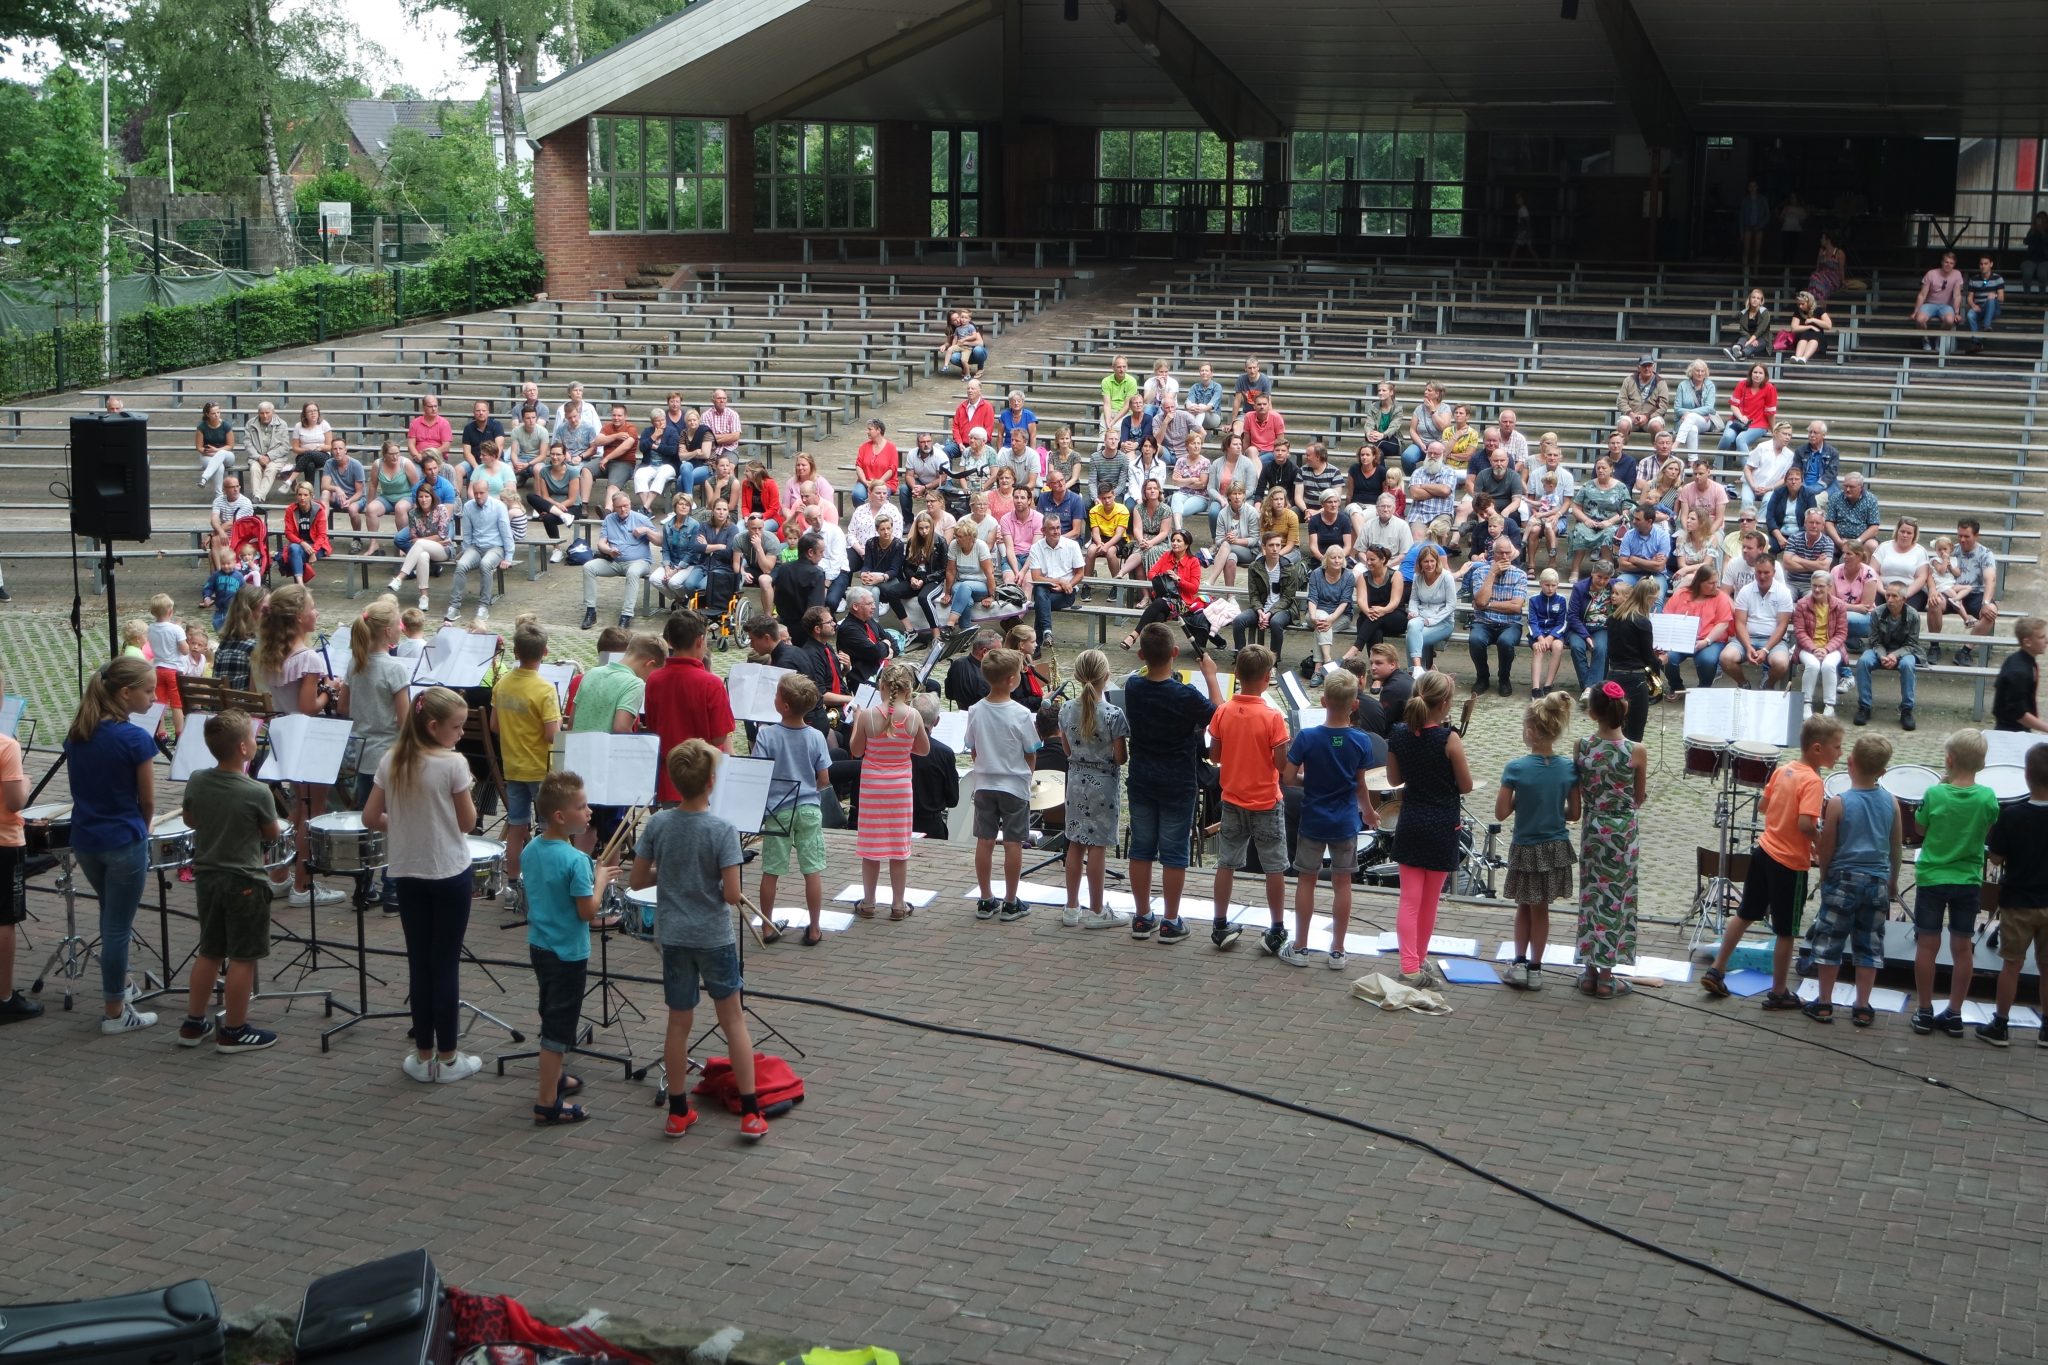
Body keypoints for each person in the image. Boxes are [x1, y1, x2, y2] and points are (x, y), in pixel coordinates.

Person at [632, 739, 769, 1141]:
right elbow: (731, 894)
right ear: (712, 782)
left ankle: (677, 1112)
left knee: (678, 1023)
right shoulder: (723, 829)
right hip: (713, 937)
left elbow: (638, 879)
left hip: (673, 935)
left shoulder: (657, 824)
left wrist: (670, 876)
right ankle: (750, 1112)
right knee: (733, 1019)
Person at [361, 685, 482, 1083]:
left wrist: (404, 825)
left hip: (407, 872)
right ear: (433, 726)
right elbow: (467, 823)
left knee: (420, 962)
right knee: (445, 963)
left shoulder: (392, 758)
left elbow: (370, 816)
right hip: (448, 871)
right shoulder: (453, 764)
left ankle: (423, 1052)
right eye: (457, 726)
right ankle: (448, 1058)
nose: (461, 733)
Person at [1700, 712, 1841, 1007]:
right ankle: (1778, 991)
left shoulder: (1784, 770)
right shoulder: (1814, 782)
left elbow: (1764, 806)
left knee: (1745, 913)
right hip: (1789, 864)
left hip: (1763, 851)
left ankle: (1717, 969)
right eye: (1837, 746)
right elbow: (1805, 824)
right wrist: (1819, 841)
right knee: (1786, 930)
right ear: (1818, 748)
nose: (1840, 752)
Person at [166, 710, 282, 1052]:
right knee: (243, 956)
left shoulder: (198, 779)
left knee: (210, 951)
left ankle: (193, 1023)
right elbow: (271, 832)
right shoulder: (257, 791)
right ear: (244, 748)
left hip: (207, 877)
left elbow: (190, 817)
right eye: (252, 739)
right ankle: (233, 1030)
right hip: (244, 880)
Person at [62, 658, 162, 1034]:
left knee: (110, 917)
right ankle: (115, 1012)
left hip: (86, 840)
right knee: (119, 926)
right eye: (149, 691)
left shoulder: (78, 732)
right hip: (123, 840)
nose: (154, 699)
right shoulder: (135, 738)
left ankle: (120, 986)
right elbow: (148, 800)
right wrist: (144, 829)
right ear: (125, 693)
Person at [519, 770, 611, 1125]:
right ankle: (547, 1103)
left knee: (550, 1011)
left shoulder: (531, 849)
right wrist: (599, 878)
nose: (589, 812)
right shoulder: (575, 861)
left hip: (540, 946)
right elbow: (587, 912)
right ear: (560, 816)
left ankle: (554, 1078)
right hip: (568, 952)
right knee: (558, 1029)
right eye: (582, 806)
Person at [1279, 668, 1380, 971]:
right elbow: (1360, 786)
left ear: (1323, 701)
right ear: (1355, 705)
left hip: (1313, 820)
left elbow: (1288, 779)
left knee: (1306, 880)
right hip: (1345, 821)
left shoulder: (1307, 738)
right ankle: (1337, 951)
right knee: (1343, 882)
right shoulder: (1361, 741)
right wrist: (1369, 812)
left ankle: (1300, 947)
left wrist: (1311, 782)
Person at [1906, 728, 2001, 1037]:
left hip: (1932, 878)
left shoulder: (1934, 793)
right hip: (1968, 881)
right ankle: (1955, 1013)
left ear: (1948, 760)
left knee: (1927, 944)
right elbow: (1989, 826)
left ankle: (1923, 1010)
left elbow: (1919, 828)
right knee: (1962, 948)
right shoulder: (1987, 797)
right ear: (1982, 764)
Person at [1801, 735, 1901, 1028]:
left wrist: (1824, 874)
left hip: (1842, 880)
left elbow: (1827, 846)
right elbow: (1895, 847)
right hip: (1877, 880)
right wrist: (1893, 880)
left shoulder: (1838, 802)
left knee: (1830, 941)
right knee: (1869, 945)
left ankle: (1824, 1003)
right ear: (1883, 772)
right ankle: (1862, 1006)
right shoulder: (1892, 802)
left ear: (1850, 763)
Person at [1385, 671, 1472, 988]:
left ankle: (1409, 965)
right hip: (1442, 823)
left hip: (1411, 820)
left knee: (1409, 899)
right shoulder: (1449, 739)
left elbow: (1394, 781)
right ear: (1446, 704)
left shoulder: (1398, 734)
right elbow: (1466, 785)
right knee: (1430, 901)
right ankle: (1418, 960)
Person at [1205, 646, 1292, 956]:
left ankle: (1219, 924)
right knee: (1274, 868)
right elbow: (1282, 765)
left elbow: (1215, 756)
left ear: (1237, 675)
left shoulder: (1223, 711)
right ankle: (1277, 928)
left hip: (1232, 799)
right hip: (1266, 801)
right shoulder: (1273, 717)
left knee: (1225, 863)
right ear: (1267, 678)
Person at [1496, 691, 1578, 990]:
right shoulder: (1569, 768)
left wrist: (1521, 799)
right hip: (1555, 846)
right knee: (1541, 908)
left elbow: (1501, 812)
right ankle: (1536, 968)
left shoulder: (1515, 768)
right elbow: (1575, 812)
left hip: (1526, 846)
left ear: (1530, 731)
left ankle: (1518, 962)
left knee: (1523, 905)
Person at [1574, 681, 1644, 999]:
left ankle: (1588, 971)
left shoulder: (1582, 747)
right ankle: (1606, 976)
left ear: (1592, 713)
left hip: (1593, 828)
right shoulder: (1636, 750)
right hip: (1623, 831)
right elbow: (1638, 797)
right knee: (1617, 900)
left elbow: (1579, 791)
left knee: (1591, 896)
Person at [844, 662, 927, 929]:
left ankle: (868, 902)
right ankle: (898, 904)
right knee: (898, 848)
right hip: (900, 787)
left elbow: (856, 751)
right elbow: (923, 750)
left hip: (872, 788)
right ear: (908, 689)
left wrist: (857, 722)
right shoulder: (913, 716)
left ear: (881, 687)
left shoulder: (868, 715)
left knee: (871, 847)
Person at [752, 672, 833, 943]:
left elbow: (757, 775)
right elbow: (824, 778)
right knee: (812, 870)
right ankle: (815, 927)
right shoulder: (816, 737)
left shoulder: (766, 735)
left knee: (771, 870)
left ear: (784, 705)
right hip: (808, 807)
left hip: (778, 811)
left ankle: (766, 925)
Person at [1053, 649, 1130, 930]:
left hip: (1075, 781)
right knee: (1097, 846)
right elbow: (1121, 757)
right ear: (1106, 677)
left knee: (1075, 842)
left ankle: (1071, 907)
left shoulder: (1065, 709)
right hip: (1104, 784)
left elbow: (1066, 749)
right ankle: (1097, 910)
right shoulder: (1113, 713)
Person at [1979, 743, 2048, 1046]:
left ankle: (2000, 1025)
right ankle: (2046, 1028)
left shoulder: (2013, 815)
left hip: (2018, 901)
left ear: (2027, 776)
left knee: (2011, 965)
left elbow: (1994, 858)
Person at [965, 648, 1038, 923]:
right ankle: (1010, 900)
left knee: (984, 842)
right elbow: (1030, 750)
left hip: (984, 782)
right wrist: (1027, 775)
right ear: (1011, 679)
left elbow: (972, 747)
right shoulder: (1020, 713)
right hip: (1014, 785)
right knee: (1013, 843)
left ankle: (985, 898)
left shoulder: (975, 710)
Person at [492, 624, 562, 895]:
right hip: (540, 769)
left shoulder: (502, 684)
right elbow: (551, 735)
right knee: (548, 830)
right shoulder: (545, 690)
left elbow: (495, 725)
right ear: (544, 652)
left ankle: (511, 885)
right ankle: (543, 885)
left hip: (512, 766)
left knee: (516, 825)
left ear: (515, 651)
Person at [643, 612, 735, 805]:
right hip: (704, 779)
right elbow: (719, 737)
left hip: (670, 779)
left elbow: (652, 727)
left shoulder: (654, 679)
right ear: (700, 640)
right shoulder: (712, 683)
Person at [579, 488, 657, 631]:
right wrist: (609, 550)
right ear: (614, 508)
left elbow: (660, 541)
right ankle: (590, 611)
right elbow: (601, 543)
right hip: (614, 561)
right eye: (619, 507)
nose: (623, 509)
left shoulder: (641, 519)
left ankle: (626, 615)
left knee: (633, 572)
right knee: (588, 567)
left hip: (639, 561)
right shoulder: (609, 519)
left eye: (625, 506)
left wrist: (647, 531)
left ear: (630, 504)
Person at [1853, 580, 1922, 730]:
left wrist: (1895, 656)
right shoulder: (1877, 613)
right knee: (1864, 661)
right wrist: (1883, 656)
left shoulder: (1913, 615)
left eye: (1894, 596)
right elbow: (1874, 640)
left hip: (1904, 651)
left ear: (1903, 599)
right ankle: (1864, 706)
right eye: (1887, 595)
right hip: (1880, 649)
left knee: (1908, 665)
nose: (1889, 599)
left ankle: (1907, 710)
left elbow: (1912, 644)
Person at [1928, 518, 2001, 662]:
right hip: (1951, 590)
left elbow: (1990, 579)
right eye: (1960, 535)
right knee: (1934, 602)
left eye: (1966, 536)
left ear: (1976, 536)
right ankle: (1934, 646)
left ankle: (1965, 650)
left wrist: (1986, 602)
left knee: (1991, 611)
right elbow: (1931, 571)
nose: (1962, 540)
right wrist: (1932, 590)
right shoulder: (1950, 549)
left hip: (1975, 593)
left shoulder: (1985, 554)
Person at [1723, 553, 1795, 691]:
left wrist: (1766, 649)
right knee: (1726, 658)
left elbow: (1782, 625)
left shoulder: (1784, 592)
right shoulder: (1745, 591)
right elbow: (1740, 623)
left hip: (1773, 640)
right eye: (1759, 572)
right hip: (1746, 638)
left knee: (1781, 664)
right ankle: (1743, 683)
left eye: (1766, 572)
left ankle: (1768, 684)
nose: (1762, 576)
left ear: (1774, 572)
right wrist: (1748, 646)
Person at [448, 477, 514, 624]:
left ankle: (483, 606)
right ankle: (454, 606)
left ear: (488, 492)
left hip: (496, 547)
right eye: (476, 493)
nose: (478, 496)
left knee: (485, 564)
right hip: (476, 547)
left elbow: (506, 532)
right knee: (461, 565)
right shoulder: (469, 506)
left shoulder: (499, 506)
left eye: (481, 493)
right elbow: (467, 533)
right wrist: (466, 551)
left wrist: (509, 556)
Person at [1468, 536, 1528, 697]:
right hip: (1483, 622)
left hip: (1510, 624)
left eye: (1508, 553)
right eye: (1501, 553)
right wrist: (1492, 574)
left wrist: (1488, 605)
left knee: (1506, 642)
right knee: (1475, 640)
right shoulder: (1480, 572)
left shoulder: (1520, 575)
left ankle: (1504, 679)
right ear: (1493, 554)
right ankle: (1482, 677)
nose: (1505, 557)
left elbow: (1516, 607)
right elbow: (1479, 600)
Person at [1660, 565, 1731, 695]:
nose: (1716, 586)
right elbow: (1667, 616)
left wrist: (1707, 641)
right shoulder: (1681, 594)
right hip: (1681, 639)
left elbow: (1723, 624)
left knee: (1707, 660)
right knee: (1666, 658)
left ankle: (1703, 689)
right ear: (1699, 582)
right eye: (1711, 583)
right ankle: (1676, 686)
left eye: (1717, 582)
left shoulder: (1721, 597)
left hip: (1710, 640)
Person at [1022, 511, 1083, 653]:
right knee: (1040, 591)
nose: (1056, 531)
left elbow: (1080, 574)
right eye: (1052, 528)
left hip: (1066, 592)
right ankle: (1046, 633)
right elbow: (1036, 577)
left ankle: (1038, 643)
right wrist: (1060, 580)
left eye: (1058, 527)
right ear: (1043, 531)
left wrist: (1066, 585)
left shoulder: (1072, 545)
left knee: (1040, 602)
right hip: (1046, 589)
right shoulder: (1036, 548)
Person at [1301, 546, 1354, 681]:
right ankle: (1328, 661)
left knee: (1321, 628)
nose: (1337, 561)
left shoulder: (1348, 576)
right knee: (1321, 620)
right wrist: (1313, 616)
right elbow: (1312, 598)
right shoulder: (1316, 574)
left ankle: (1319, 668)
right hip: (1316, 614)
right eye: (1333, 557)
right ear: (1326, 560)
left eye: (1340, 557)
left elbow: (1345, 602)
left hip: (1341, 616)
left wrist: (1331, 619)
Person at [1405, 543, 1455, 674]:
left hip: (1442, 621)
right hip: (1422, 616)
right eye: (1425, 561)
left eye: (1432, 561)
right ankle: (1418, 668)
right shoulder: (1417, 577)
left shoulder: (1446, 577)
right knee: (1412, 625)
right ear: (1420, 563)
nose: (1429, 565)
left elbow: (1451, 605)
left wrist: (1432, 621)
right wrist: (1413, 611)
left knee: (1412, 637)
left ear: (1437, 561)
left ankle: (1414, 672)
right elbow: (1414, 599)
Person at [1993, 616, 2048, 733]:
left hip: (2017, 728)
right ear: (2027, 642)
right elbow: (2018, 713)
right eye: (2041, 637)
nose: (2046, 641)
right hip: (2010, 732)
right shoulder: (2019, 672)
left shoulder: (2023, 660)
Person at [1718, 363, 1778, 455]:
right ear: (1751, 373)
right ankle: (1716, 463)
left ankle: (1748, 468)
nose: (1757, 375)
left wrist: (1774, 430)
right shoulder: (1742, 384)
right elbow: (1734, 405)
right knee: (1727, 436)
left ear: (1765, 375)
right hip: (1737, 421)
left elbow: (1770, 413)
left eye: (1760, 373)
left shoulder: (1770, 388)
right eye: (1755, 372)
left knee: (1741, 439)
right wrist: (1741, 417)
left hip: (1758, 424)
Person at [280, 482, 332, 586]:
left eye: (305, 495)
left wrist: (313, 551)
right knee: (294, 549)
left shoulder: (319, 510)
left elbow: (322, 535)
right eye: (300, 495)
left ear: (311, 496)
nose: (302, 498)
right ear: (296, 496)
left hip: (317, 545)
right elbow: (288, 533)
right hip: (300, 545)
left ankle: (298, 585)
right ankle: (300, 584)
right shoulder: (291, 510)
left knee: (293, 555)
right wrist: (303, 543)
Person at [1912, 250, 1966, 348]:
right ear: (1942, 262)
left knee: (1950, 320)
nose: (1948, 265)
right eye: (1946, 262)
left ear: (1954, 264)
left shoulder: (1957, 274)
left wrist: (1957, 313)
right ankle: (1925, 339)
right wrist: (1915, 311)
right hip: (1930, 304)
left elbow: (1957, 295)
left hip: (1946, 306)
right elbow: (1922, 294)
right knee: (1919, 319)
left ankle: (1940, 339)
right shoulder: (1931, 274)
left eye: (1951, 263)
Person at [242, 400, 290, 503]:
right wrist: (259, 457)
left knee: (271, 469)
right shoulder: (250, 424)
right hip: (256, 457)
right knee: (254, 469)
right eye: (262, 413)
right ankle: (258, 499)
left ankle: (257, 497)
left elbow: (285, 447)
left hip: (277, 459)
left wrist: (269, 457)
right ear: (258, 413)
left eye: (267, 413)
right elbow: (247, 443)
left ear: (273, 412)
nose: (264, 415)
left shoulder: (282, 424)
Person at [1613, 357, 1670, 438]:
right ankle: (1621, 449)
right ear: (1639, 367)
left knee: (1656, 425)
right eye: (1644, 366)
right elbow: (1621, 401)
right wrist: (1631, 414)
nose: (1647, 368)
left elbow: (1663, 405)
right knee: (1623, 425)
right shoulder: (1629, 380)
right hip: (1631, 416)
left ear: (1653, 367)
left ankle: (1657, 450)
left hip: (1652, 417)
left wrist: (1647, 417)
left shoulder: (1660, 382)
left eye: (1649, 366)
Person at [1782, 290, 1833, 364]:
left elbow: (1828, 325)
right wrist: (1809, 327)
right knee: (1803, 338)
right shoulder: (1798, 312)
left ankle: (1804, 358)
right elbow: (1794, 328)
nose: (1800, 306)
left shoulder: (1818, 310)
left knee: (1814, 339)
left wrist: (1813, 320)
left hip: (1817, 337)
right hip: (1803, 336)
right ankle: (1797, 357)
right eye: (1799, 304)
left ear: (1809, 302)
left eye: (1802, 304)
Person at [1736, 183, 1770, 271]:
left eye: (1754, 185)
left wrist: (1761, 225)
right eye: (1751, 186)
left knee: (1757, 252)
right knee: (1746, 251)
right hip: (1748, 227)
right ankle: (1745, 273)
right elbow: (1741, 217)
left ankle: (1755, 273)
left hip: (1758, 228)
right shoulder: (1745, 200)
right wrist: (1741, 232)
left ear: (1757, 187)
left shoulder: (1762, 199)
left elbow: (1768, 215)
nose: (1752, 187)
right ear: (1748, 188)